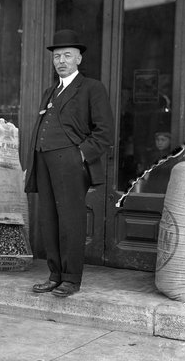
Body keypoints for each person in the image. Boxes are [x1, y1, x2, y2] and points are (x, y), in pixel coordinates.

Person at [25, 29, 114, 297]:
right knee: (49, 220)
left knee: (71, 221)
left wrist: (80, 155)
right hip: (44, 161)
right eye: (56, 56)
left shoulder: (91, 88)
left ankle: (71, 278)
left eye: (67, 55)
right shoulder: (49, 91)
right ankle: (54, 275)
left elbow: (104, 133)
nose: (60, 61)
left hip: (71, 163)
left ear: (78, 60)